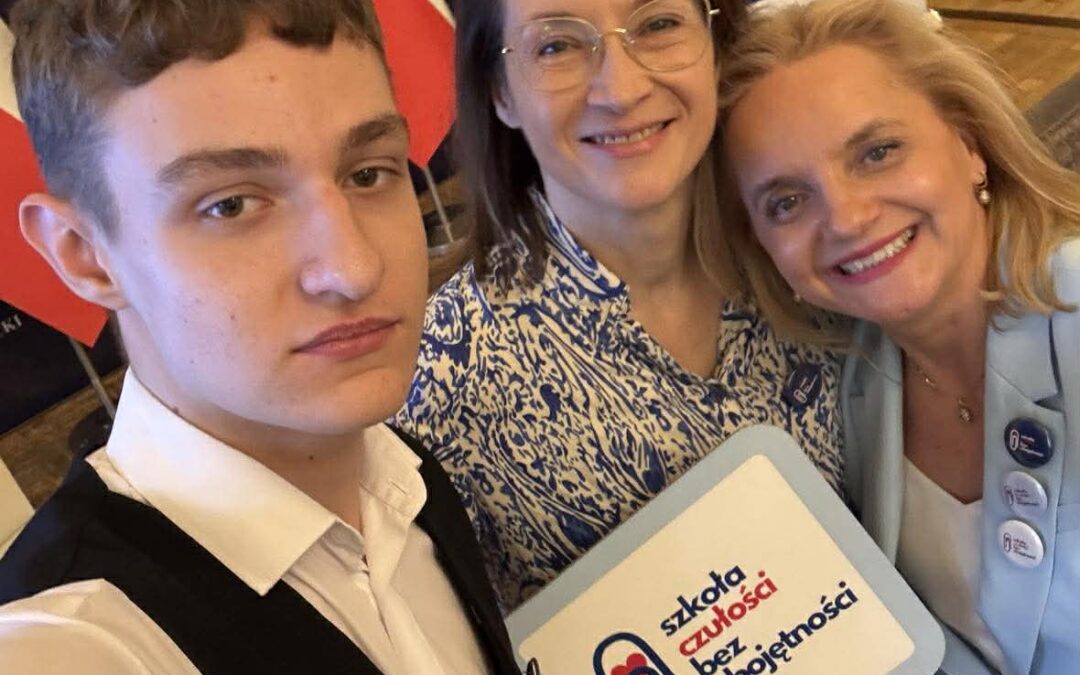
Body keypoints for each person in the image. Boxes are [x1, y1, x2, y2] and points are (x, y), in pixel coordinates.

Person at [0, 1, 517, 673]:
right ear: (86, 255)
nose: (354, 267)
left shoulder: (405, 482)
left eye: (368, 173)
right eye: (231, 205)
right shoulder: (75, 639)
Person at [394, 0, 846, 611]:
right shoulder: (437, 381)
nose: (622, 89)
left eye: (658, 24)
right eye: (556, 46)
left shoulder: (815, 258)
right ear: (500, 92)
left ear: (716, 42)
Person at [718, 1, 1080, 673]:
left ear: (969, 146)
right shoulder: (849, 397)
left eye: (877, 152)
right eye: (787, 202)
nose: (847, 219)